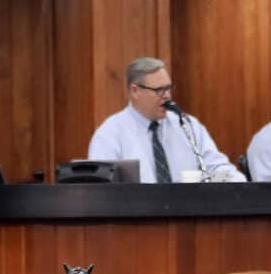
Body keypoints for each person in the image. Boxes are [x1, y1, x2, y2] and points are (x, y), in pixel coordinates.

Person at [88, 57, 245, 183]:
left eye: (168, 88)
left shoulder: (187, 125)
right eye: (159, 90)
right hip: (137, 219)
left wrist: (213, 179)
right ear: (135, 91)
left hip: (189, 215)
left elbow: (220, 169)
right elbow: (101, 190)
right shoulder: (110, 134)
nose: (167, 96)